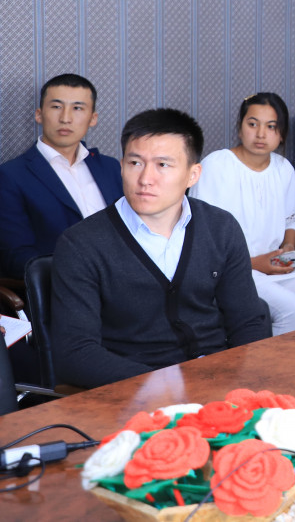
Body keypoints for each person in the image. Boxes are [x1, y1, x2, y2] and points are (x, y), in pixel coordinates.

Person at [50, 108, 270, 388]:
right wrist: (166, 386)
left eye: (163, 165)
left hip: (218, 380)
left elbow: (248, 322)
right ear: (121, 166)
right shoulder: (81, 244)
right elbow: (75, 354)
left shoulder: (221, 228)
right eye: (135, 163)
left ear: (193, 175)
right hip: (133, 390)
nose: (145, 179)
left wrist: (245, 383)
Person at [191, 92, 295, 335]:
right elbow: (202, 238)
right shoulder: (217, 165)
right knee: (292, 308)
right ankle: (276, 362)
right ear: (240, 128)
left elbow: (292, 218)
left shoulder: (283, 168)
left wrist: (288, 246)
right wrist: (255, 263)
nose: (261, 134)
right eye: (253, 124)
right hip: (233, 271)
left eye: (271, 127)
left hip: (274, 265)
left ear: (281, 134)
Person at [0, 73, 124, 279]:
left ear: (93, 118)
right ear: (39, 115)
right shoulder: (11, 176)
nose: (66, 118)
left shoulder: (111, 168)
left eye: (77, 108)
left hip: (125, 281)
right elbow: (16, 257)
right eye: (56, 106)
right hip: (64, 286)